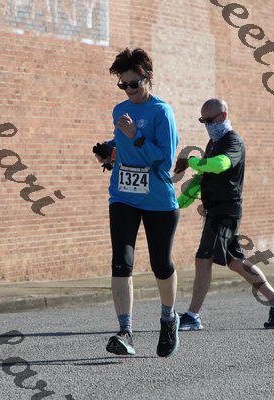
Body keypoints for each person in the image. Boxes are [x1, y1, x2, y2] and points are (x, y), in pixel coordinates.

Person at [174, 98, 274, 331]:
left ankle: (192, 315)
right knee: (236, 263)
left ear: (224, 116)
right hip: (215, 210)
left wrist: (191, 161)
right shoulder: (213, 143)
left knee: (203, 259)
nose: (207, 125)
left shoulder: (233, 141)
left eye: (210, 120)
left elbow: (220, 164)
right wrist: (178, 202)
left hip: (225, 211)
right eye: (203, 121)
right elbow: (204, 177)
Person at [93, 48, 180, 357]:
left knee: (161, 265)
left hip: (158, 200)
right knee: (121, 261)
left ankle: (168, 318)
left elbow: (165, 161)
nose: (128, 89)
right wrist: (110, 151)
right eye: (123, 84)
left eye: (134, 83)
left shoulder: (161, 112)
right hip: (123, 196)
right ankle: (125, 331)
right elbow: (123, 144)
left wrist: (136, 136)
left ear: (148, 78)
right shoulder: (120, 110)